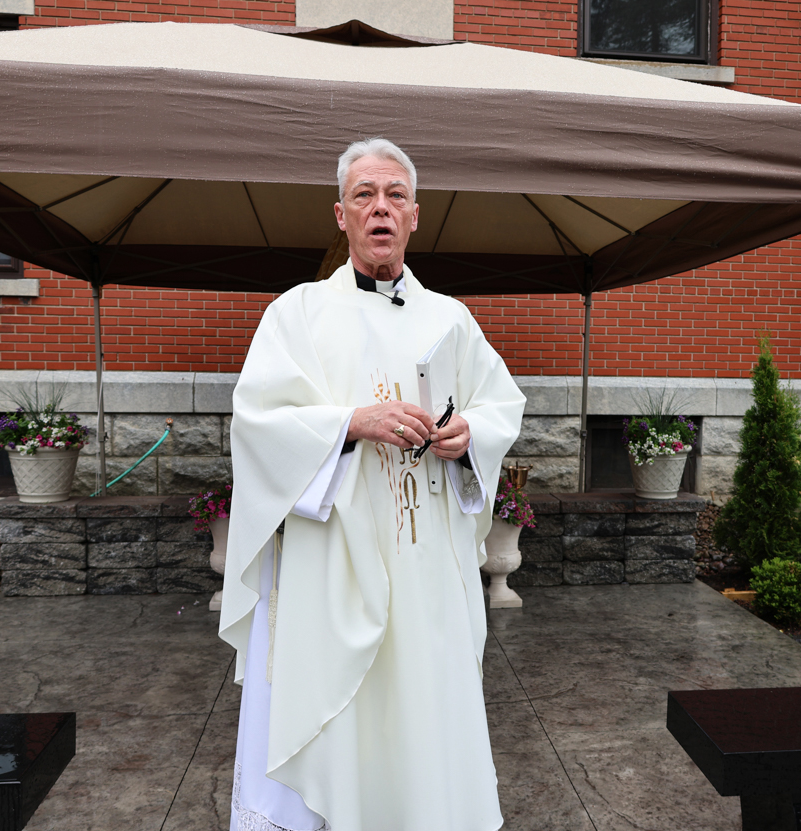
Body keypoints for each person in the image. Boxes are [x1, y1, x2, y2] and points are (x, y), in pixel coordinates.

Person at [220, 138, 526, 831]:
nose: (380, 208)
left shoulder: (451, 317)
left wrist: (469, 433)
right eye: (364, 195)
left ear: (415, 216)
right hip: (337, 564)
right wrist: (350, 422)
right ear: (340, 214)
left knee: (427, 708)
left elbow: (501, 402)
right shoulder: (296, 315)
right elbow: (257, 422)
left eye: (394, 195)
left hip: (428, 572)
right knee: (347, 718)